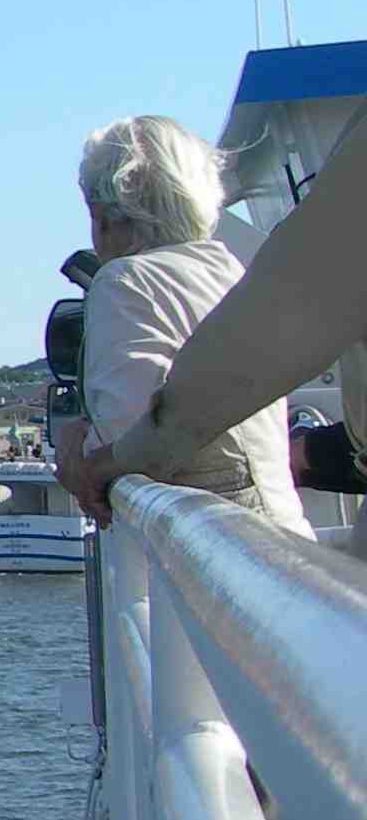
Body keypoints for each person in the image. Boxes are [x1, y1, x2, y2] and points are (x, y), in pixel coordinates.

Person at [63, 107, 366, 522]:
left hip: (210, 543)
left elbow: (125, 439)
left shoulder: (124, 281)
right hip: (282, 530)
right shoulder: (229, 269)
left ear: (104, 217)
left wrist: (73, 445)